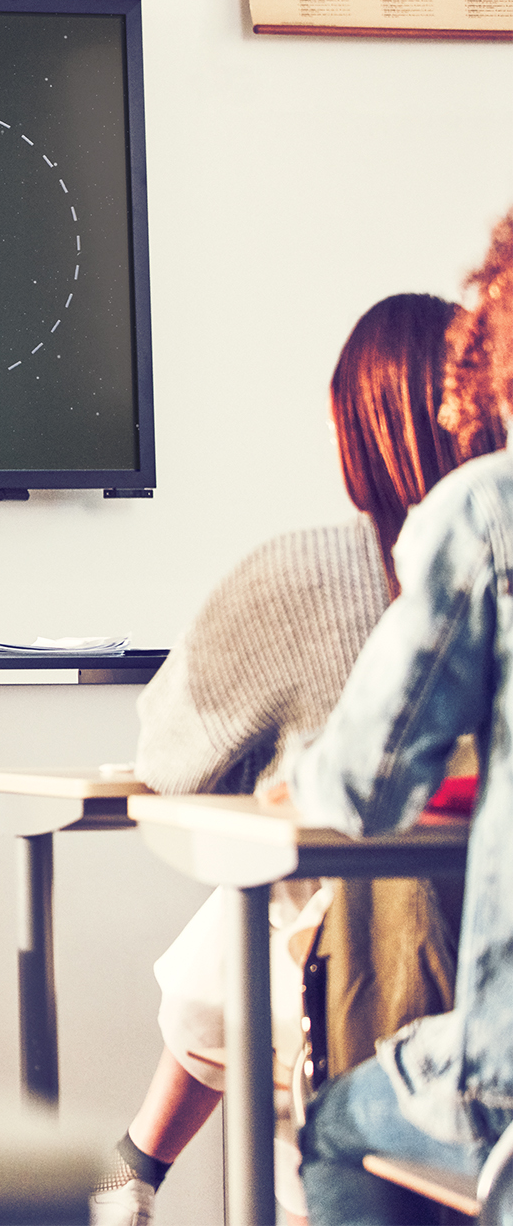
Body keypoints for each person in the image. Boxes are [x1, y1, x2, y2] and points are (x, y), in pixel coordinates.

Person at [91, 293, 493, 1226]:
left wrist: (284, 771)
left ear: (343, 425)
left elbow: (175, 760)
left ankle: (139, 1167)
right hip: (464, 954)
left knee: (261, 943)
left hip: (417, 991)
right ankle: (135, 1166)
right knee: (257, 932)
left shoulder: (327, 574)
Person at [292, 211, 513, 1224]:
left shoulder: (484, 513)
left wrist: (291, 773)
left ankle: (132, 1171)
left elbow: (362, 789)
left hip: (501, 1065)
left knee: (331, 1126)